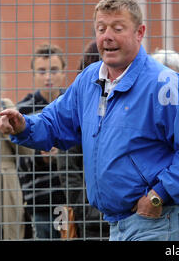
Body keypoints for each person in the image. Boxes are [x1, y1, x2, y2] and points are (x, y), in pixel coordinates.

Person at [0, 0, 179, 241]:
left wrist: (157, 195)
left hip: (157, 221)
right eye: (101, 29)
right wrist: (23, 125)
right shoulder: (89, 80)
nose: (107, 36)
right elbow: (55, 123)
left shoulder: (165, 85)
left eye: (117, 28)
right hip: (116, 223)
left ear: (139, 32)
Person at [56, 40, 110, 240]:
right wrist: (89, 210)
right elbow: (68, 169)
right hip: (94, 221)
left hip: (128, 216)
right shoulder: (78, 106)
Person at [16, 44, 67, 239]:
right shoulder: (23, 110)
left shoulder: (73, 103)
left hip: (74, 198)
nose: (48, 77)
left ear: (63, 72)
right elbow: (18, 158)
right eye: (42, 71)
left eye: (54, 70)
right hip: (40, 200)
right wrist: (40, 157)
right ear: (34, 74)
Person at [0, 57, 34, 240]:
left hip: (7, 183)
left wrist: (0, 114)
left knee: (9, 233)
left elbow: (27, 151)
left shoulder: (6, 105)